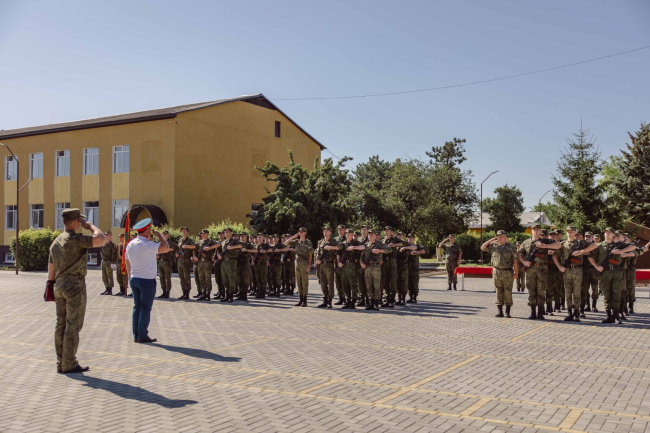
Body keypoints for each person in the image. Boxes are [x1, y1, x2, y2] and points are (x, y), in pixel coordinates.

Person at [47, 208, 106, 374]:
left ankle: (61, 362)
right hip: (74, 287)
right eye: (79, 220)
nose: (81, 223)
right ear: (74, 221)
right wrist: (90, 226)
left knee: (60, 324)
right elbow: (101, 239)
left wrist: (50, 285)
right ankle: (69, 363)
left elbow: (51, 267)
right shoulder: (76, 240)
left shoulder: (56, 242)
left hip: (59, 286)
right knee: (72, 326)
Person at [125, 219, 171, 343]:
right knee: (145, 308)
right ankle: (142, 335)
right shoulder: (147, 244)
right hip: (147, 280)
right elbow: (166, 248)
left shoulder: (131, 244)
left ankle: (136, 335)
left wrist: (129, 275)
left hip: (134, 278)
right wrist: (160, 236)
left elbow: (126, 260)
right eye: (149, 230)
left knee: (137, 307)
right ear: (146, 231)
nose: (150, 232)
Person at [588, 227, 636, 324]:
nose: (607, 234)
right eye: (606, 232)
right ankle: (608, 316)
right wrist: (596, 267)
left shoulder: (618, 245)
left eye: (609, 232)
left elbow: (633, 246)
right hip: (605, 273)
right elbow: (590, 256)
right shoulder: (599, 245)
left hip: (617, 272)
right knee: (607, 294)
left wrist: (621, 251)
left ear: (614, 234)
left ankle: (616, 316)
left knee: (616, 294)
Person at [552, 226, 598, 322]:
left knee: (577, 293)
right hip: (566, 271)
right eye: (567, 231)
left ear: (575, 233)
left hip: (577, 270)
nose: (569, 233)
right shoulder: (563, 244)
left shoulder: (580, 243)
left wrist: (582, 251)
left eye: (571, 231)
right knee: (568, 293)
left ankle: (576, 312)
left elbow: (594, 245)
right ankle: (569, 313)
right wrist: (559, 267)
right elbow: (555, 256)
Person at [518, 224, 561, 320]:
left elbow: (558, 245)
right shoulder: (526, 242)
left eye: (538, 229)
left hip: (542, 269)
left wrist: (545, 246)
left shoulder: (545, 240)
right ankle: (533, 312)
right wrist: (524, 262)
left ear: (540, 231)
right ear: (531, 231)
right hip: (530, 270)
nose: (536, 231)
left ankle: (540, 313)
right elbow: (520, 253)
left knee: (541, 291)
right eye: (534, 229)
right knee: (531, 290)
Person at [481, 230, 518, 318]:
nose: (499, 238)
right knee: (498, 291)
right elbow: (482, 247)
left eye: (501, 236)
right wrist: (492, 239)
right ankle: (499, 311)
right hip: (496, 271)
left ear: (505, 237)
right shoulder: (493, 246)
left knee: (508, 291)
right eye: (498, 236)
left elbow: (515, 261)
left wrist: (516, 272)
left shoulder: (511, 247)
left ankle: (507, 311)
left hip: (507, 271)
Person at [360, 229, 391, 311]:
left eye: (371, 235)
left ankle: (376, 304)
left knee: (377, 286)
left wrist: (379, 250)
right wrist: (361, 263)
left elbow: (389, 249)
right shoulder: (366, 245)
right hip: (367, 267)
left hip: (376, 267)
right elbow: (361, 256)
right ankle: (371, 303)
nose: (370, 236)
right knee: (368, 285)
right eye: (369, 235)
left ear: (375, 236)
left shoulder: (379, 244)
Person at [315, 226, 342, 308]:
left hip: (329, 264)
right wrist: (317, 260)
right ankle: (325, 300)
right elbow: (317, 252)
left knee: (330, 283)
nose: (325, 232)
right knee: (322, 283)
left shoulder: (333, 241)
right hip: (321, 265)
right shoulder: (320, 242)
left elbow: (340, 247)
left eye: (327, 231)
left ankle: (330, 301)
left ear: (330, 232)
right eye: (324, 231)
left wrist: (331, 247)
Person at [285, 228, 314, 306]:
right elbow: (285, 243)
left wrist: (309, 266)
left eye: (302, 232)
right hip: (297, 262)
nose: (301, 233)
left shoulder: (308, 242)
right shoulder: (296, 241)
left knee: (304, 282)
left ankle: (305, 300)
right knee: (299, 281)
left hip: (304, 262)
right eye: (299, 232)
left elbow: (310, 255)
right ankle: (300, 300)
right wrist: (293, 237)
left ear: (305, 233)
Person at [338, 228, 365, 309]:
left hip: (352, 265)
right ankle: (347, 300)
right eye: (347, 233)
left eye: (350, 233)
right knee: (345, 283)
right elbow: (338, 253)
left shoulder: (356, 242)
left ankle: (353, 300)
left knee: (353, 283)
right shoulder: (343, 243)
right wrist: (339, 262)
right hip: (344, 265)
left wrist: (354, 247)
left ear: (353, 234)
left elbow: (363, 247)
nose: (348, 235)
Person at [218, 227, 243, 303]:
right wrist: (218, 255)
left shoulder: (235, 241)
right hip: (224, 262)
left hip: (231, 262)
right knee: (225, 279)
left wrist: (232, 247)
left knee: (231, 279)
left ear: (231, 233)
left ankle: (231, 296)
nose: (226, 233)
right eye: (225, 232)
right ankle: (227, 295)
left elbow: (242, 245)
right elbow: (218, 250)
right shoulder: (223, 242)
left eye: (228, 232)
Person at [175, 227, 196, 300]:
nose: (183, 232)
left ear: (187, 232)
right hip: (180, 260)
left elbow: (194, 246)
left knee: (186, 277)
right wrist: (176, 254)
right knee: (181, 277)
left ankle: (187, 294)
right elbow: (178, 249)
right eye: (182, 231)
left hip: (186, 261)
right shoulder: (180, 240)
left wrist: (187, 246)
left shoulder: (190, 240)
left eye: (184, 231)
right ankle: (183, 293)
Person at [156, 230, 177, 299]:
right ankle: (163, 291)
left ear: (168, 235)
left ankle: (168, 292)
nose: (164, 235)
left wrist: (165, 249)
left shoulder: (170, 242)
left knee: (167, 278)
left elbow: (172, 248)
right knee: (161, 277)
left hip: (167, 262)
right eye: (163, 234)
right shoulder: (160, 243)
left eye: (165, 234)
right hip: (161, 262)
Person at [406, 234, 426, 303]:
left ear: (414, 239)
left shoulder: (417, 245)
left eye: (411, 238)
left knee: (414, 282)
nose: (409, 239)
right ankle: (410, 297)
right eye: (408, 238)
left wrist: (416, 252)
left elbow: (423, 251)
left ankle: (414, 297)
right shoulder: (406, 246)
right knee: (409, 282)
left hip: (414, 267)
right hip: (407, 267)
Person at [99, 231, 118, 295]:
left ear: (110, 235)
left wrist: (112, 262)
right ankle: (106, 288)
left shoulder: (112, 245)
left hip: (109, 261)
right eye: (105, 235)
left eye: (107, 235)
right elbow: (101, 251)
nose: (106, 236)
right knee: (104, 276)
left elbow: (114, 254)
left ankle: (110, 290)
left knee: (110, 276)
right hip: (103, 261)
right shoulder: (103, 244)